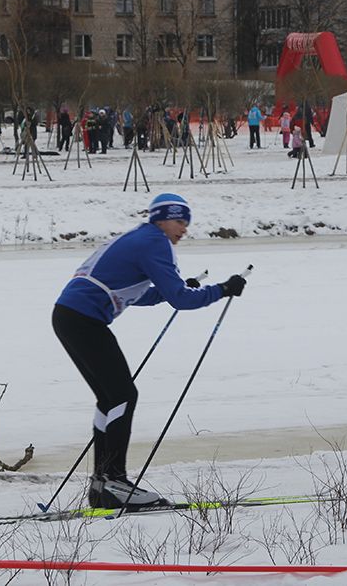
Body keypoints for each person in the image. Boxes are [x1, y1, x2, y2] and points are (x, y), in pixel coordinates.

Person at [52, 193, 247, 509]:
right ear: (162, 219)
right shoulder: (155, 241)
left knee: (112, 398)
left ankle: (103, 485)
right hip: (83, 320)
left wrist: (173, 290)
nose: (184, 229)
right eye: (180, 221)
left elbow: (132, 292)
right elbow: (180, 300)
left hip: (69, 316)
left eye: (187, 223)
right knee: (122, 395)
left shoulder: (139, 238)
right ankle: (113, 482)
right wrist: (222, 289)